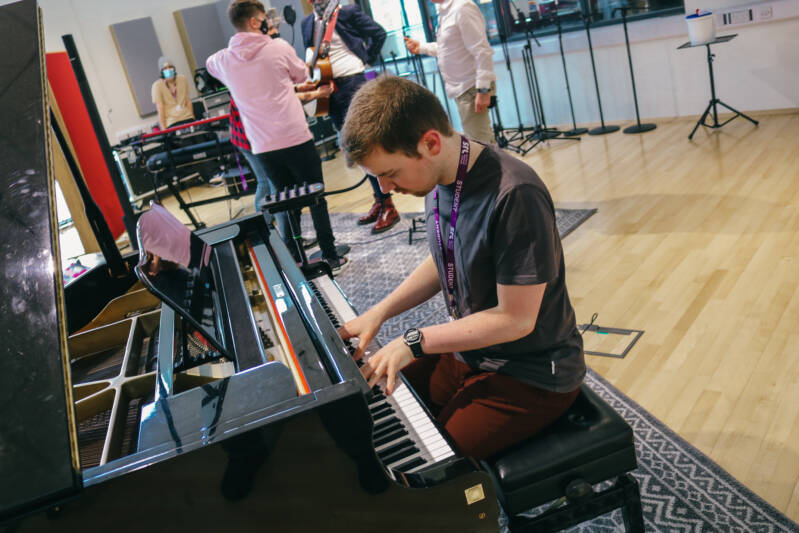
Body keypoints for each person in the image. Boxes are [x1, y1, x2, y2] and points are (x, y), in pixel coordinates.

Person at [338, 76, 584, 460]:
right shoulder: (440, 174)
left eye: (391, 173)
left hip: (529, 373)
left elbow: (516, 320)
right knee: (374, 400)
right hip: (471, 352)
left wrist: (414, 341)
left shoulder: (515, 194)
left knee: (434, 462)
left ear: (430, 143)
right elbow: (446, 259)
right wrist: (379, 312)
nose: (385, 189)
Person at [207, 0, 347, 274]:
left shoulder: (223, 59)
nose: (269, 22)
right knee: (315, 197)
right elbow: (301, 74)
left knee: (285, 202)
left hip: (262, 146)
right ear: (253, 22)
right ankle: (330, 257)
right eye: (264, 18)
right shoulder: (278, 48)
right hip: (295, 137)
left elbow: (210, 64)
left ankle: (294, 260)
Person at [301, 0, 400, 234]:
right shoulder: (308, 22)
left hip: (352, 83)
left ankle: (388, 204)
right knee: (352, 148)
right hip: (328, 88)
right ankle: (379, 198)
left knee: (365, 144)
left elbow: (378, 34)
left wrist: (366, 59)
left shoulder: (346, 12)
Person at [404, 0, 496, 145]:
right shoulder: (444, 11)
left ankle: (496, 168)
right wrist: (421, 47)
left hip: (471, 87)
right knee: (480, 143)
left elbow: (482, 51)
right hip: (461, 89)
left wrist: (484, 90)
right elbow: (447, 49)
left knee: (481, 145)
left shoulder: (462, 8)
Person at [151, 57, 195, 130]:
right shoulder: (157, 85)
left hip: (188, 118)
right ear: (161, 71)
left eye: (170, 67)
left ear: (174, 68)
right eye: (165, 68)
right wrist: (164, 128)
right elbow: (160, 108)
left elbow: (188, 101)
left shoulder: (182, 79)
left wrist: (192, 117)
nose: (168, 70)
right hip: (172, 122)